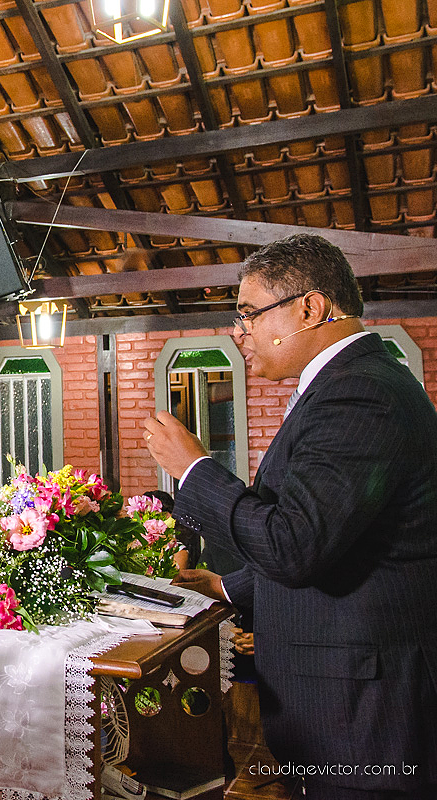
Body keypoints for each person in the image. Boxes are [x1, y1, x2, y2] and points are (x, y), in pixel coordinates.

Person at [143, 234, 437, 799]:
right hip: (350, 707)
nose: (239, 332)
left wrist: (195, 469)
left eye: (249, 313)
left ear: (310, 308)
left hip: (366, 720)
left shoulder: (359, 393)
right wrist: (226, 587)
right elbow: (340, 541)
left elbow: (294, 545)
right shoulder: (348, 384)